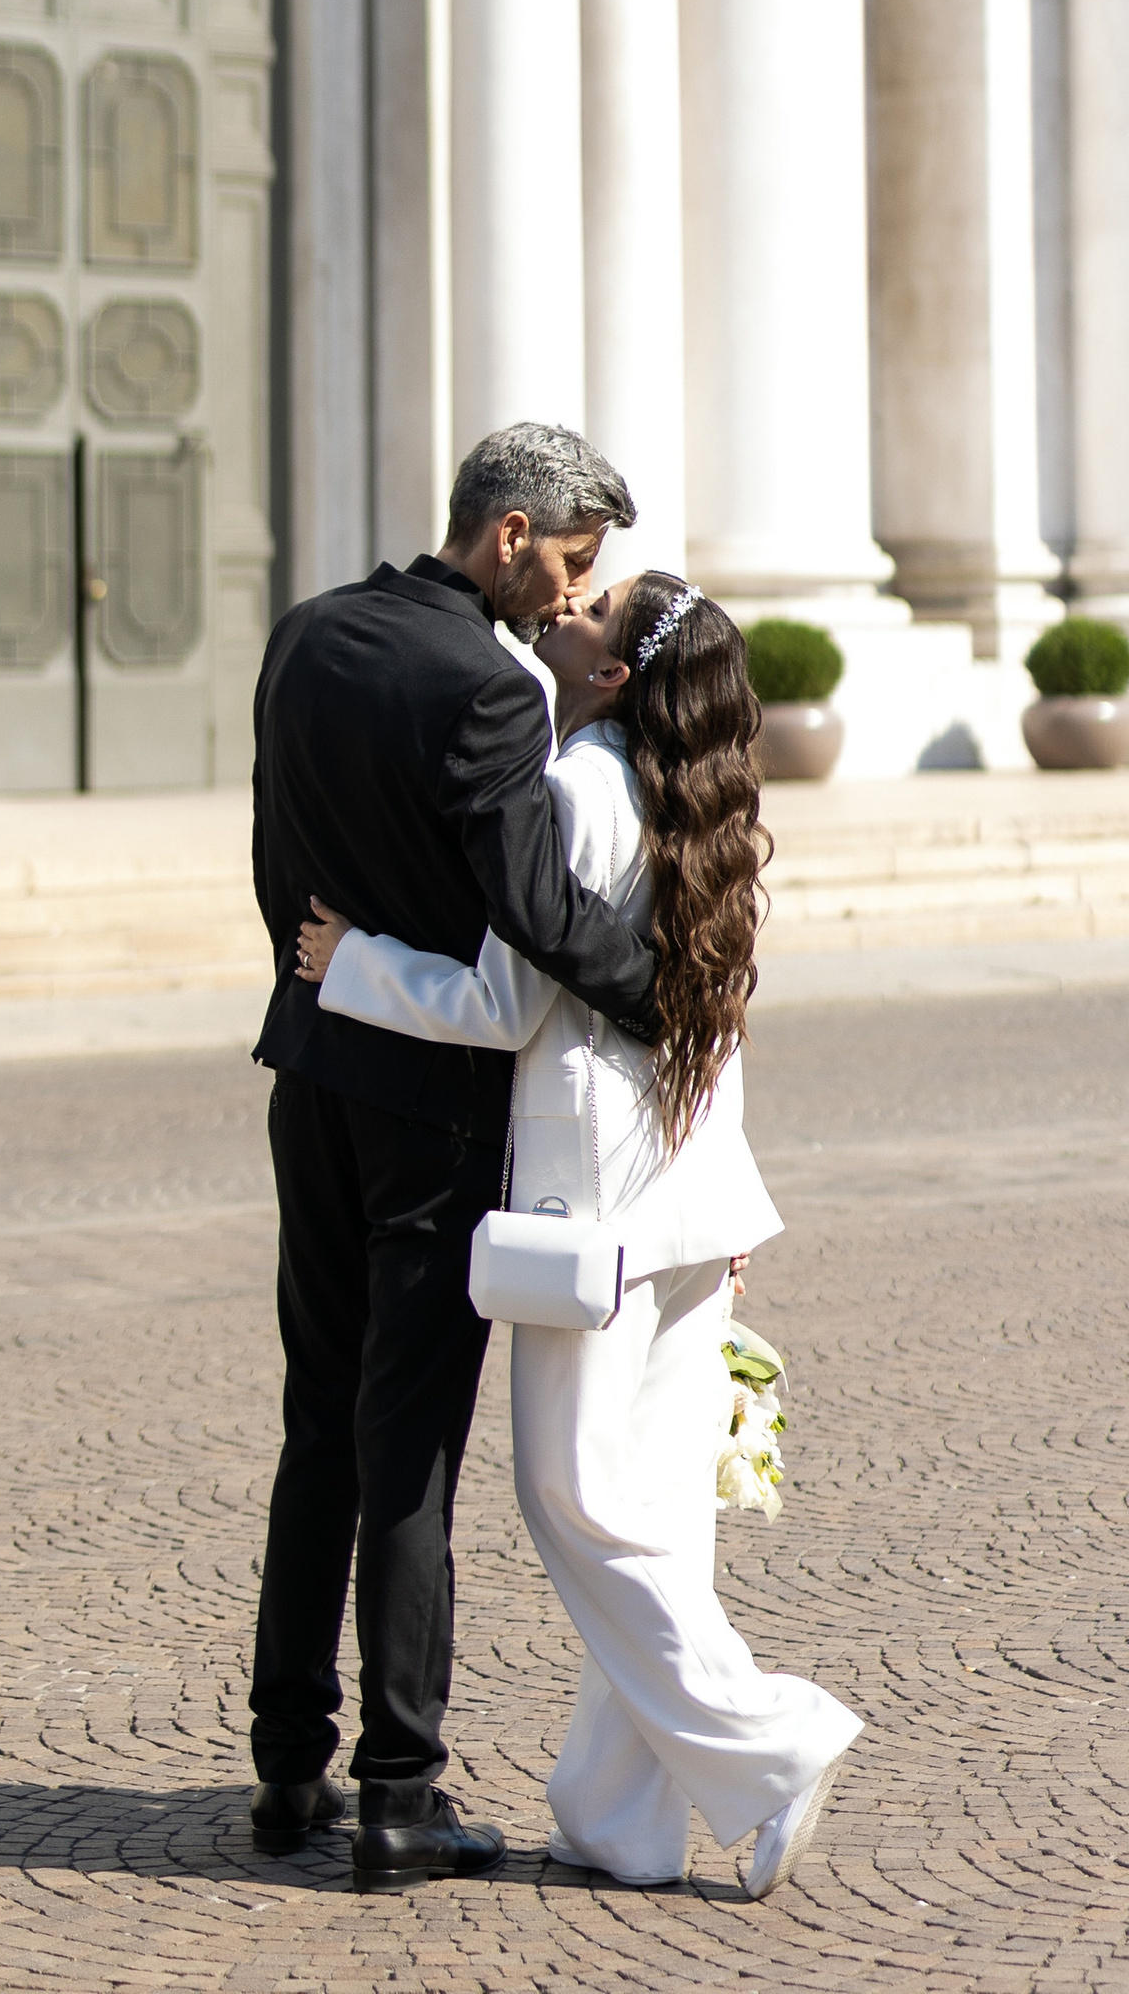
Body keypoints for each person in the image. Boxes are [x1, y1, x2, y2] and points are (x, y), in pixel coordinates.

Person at [298, 570, 861, 1900]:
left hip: (597, 1210)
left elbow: (505, 1007)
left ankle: (773, 1740)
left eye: (595, 607)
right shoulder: (700, 801)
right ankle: (619, 1821)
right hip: (692, 1198)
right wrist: (729, 1191)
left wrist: (352, 964)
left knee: (576, 1501)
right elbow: (711, 1016)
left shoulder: (579, 791)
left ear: (614, 674)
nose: (565, 606)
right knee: (656, 1519)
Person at [247, 423, 662, 1892]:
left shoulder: (304, 634)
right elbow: (537, 912)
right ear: (509, 534)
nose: (575, 593)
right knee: (407, 1446)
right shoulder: (491, 685)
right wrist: (677, 993)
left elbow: (274, 867)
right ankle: (401, 1788)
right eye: (571, 560)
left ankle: (287, 1761)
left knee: (317, 1421)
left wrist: (319, 986)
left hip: (312, 1077)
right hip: (430, 1110)